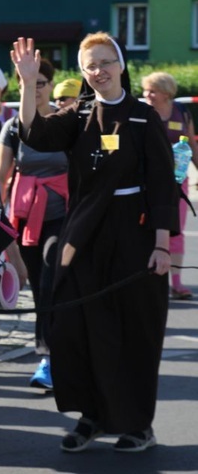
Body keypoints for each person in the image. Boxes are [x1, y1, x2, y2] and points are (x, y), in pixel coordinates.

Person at [11, 33, 178, 453]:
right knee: (77, 326)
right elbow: (34, 133)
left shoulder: (143, 116)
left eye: (105, 62)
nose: (98, 71)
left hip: (135, 234)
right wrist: (28, 84)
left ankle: (138, 424)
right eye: (90, 65)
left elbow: (162, 184)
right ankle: (92, 416)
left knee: (134, 329)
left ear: (121, 65)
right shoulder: (79, 112)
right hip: (85, 232)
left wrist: (161, 245)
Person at [0, 59, 67, 390]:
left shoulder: (67, 121)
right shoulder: (11, 128)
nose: (34, 90)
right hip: (24, 216)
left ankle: (50, 357)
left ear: (50, 85)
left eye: (40, 83)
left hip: (65, 213)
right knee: (38, 286)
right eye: (27, 83)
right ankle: (54, 354)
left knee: (53, 274)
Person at [141, 71, 198, 300]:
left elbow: (192, 144)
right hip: (147, 182)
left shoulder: (182, 112)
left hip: (177, 182)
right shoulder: (143, 112)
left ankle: (176, 283)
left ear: (166, 93)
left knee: (176, 232)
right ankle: (151, 281)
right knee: (147, 232)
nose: (147, 94)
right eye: (146, 90)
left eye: (152, 90)